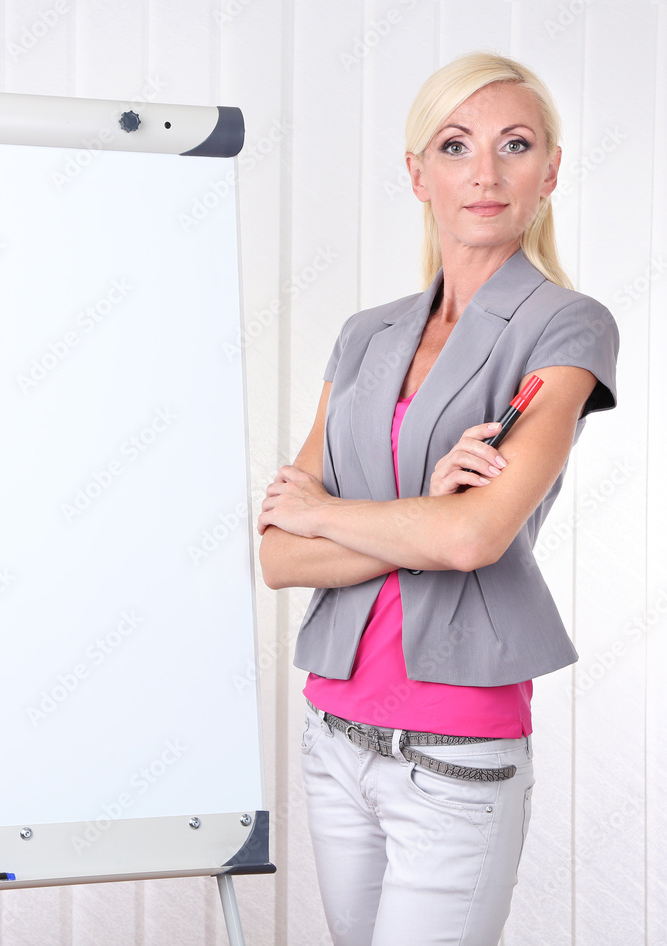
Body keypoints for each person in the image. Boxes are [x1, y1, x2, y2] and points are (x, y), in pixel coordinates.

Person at [257, 52, 618, 946]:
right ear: (418, 173)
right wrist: (423, 508)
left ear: (552, 170)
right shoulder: (365, 335)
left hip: (456, 752)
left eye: (516, 145)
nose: (485, 174)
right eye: (455, 146)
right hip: (333, 731)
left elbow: (473, 540)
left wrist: (334, 513)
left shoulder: (568, 325)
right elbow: (277, 556)